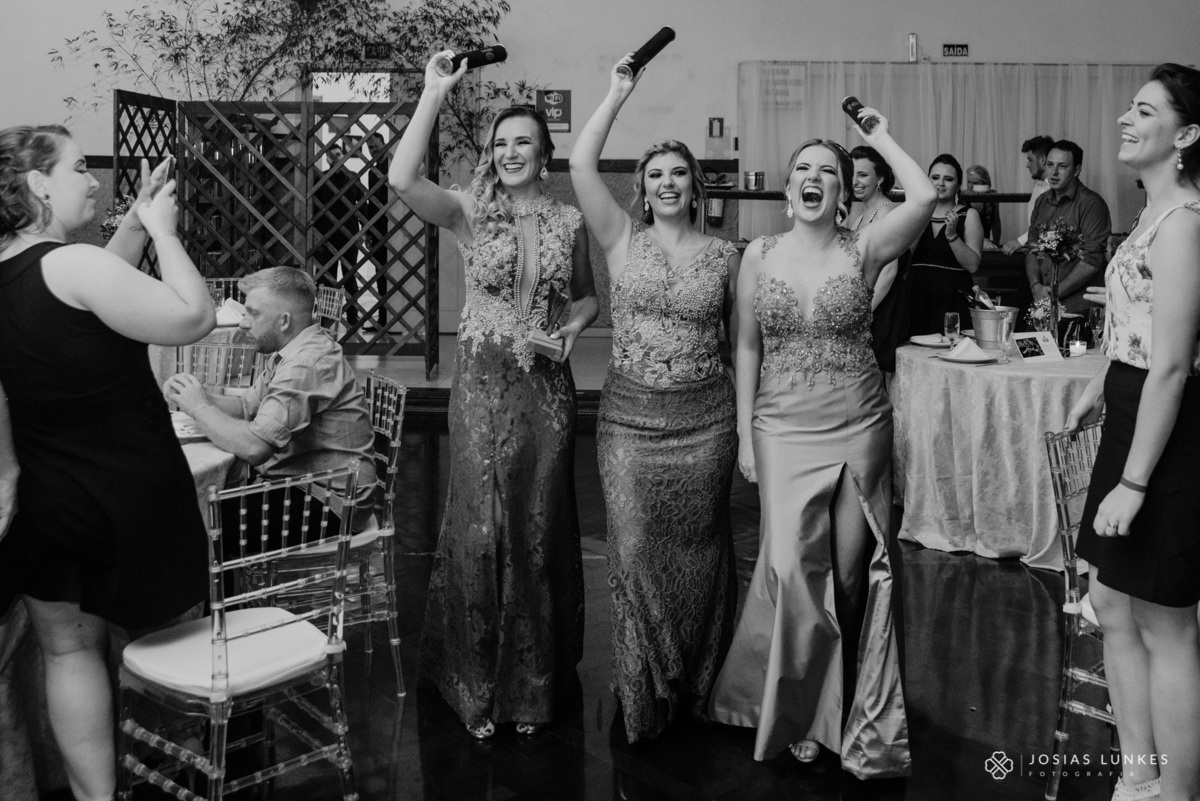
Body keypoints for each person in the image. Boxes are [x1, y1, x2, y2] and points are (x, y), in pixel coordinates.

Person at [708, 109, 936, 775]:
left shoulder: (863, 249)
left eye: (828, 172)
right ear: (788, 190)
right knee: (787, 567)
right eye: (803, 169)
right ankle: (797, 706)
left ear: (844, 192)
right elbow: (745, 345)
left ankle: (845, 708)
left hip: (858, 421)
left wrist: (882, 133)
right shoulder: (758, 254)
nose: (814, 179)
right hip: (781, 423)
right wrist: (749, 432)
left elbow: (922, 196)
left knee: (846, 572)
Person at [0, 126, 215, 801]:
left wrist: (132, 227)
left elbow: (88, 301)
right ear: (38, 185)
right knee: (176, 633)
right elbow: (192, 316)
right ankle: (193, 772)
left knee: (67, 649)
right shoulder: (73, 266)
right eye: (77, 168)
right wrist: (165, 231)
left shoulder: (20, 271)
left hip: (49, 497)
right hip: (128, 493)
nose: (94, 179)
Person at [389, 53, 599, 739]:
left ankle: (532, 683)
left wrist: (573, 324)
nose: (510, 151)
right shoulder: (468, 211)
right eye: (500, 143)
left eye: (523, 143)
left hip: (546, 386)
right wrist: (433, 91)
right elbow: (400, 177)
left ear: (543, 154)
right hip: (482, 381)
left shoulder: (567, 221)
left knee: (538, 526)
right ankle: (474, 678)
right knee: (483, 522)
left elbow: (588, 296)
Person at [569, 58, 740, 743]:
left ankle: (700, 682)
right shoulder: (619, 238)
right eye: (656, 174)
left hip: (706, 422)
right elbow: (581, 164)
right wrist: (615, 92)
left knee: (702, 552)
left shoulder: (729, 258)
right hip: (630, 423)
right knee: (634, 550)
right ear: (641, 188)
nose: (667, 182)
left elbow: (744, 345)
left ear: (696, 186)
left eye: (679, 173)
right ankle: (642, 689)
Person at [1065, 62, 1200, 801]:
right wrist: (1097, 386)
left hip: (1170, 434)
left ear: (1185, 134)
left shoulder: (1185, 225)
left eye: (1143, 110)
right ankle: (1137, 775)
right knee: (1112, 603)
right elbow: (1139, 332)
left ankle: (1178, 793)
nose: (1125, 118)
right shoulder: (1148, 216)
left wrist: (1135, 480)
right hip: (1129, 405)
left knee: (1167, 619)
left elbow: (1176, 364)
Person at [164, 265, 377, 532]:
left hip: (329, 504)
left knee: (188, 522)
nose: (243, 322)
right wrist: (197, 394)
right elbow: (245, 406)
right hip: (304, 486)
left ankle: (218, 573)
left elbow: (255, 448)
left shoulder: (304, 363)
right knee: (189, 510)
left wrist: (201, 407)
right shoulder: (293, 349)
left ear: (284, 321)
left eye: (253, 313)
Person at [1025, 140, 1112, 315]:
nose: (1054, 172)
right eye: (1050, 165)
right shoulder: (1042, 201)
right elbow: (1032, 248)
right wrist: (1035, 286)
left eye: (1062, 166)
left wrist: (1054, 292)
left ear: (1077, 170)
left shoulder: (1091, 204)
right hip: (1042, 303)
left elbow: (1092, 260)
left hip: (1079, 307)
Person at [906, 154, 984, 337]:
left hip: (952, 297)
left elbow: (973, 265)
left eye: (948, 179)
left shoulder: (969, 215)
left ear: (958, 186)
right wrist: (919, 218)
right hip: (917, 294)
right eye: (935, 178)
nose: (940, 184)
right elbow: (903, 258)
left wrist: (952, 236)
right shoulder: (916, 212)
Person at [847, 145, 906, 377]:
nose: (855, 181)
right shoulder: (859, 217)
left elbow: (889, 271)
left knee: (877, 374)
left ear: (880, 178)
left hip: (884, 304)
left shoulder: (887, 213)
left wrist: (864, 313)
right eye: (852, 174)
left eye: (862, 174)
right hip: (865, 301)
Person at [314, 142, 362, 326]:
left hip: (349, 235)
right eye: (332, 156)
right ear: (326, 158)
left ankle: (352, 317)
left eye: (338, 155)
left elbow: (362, 204)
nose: (335, 158)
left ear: (343, 156)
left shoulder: (352, 177)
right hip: (326, 237)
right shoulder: (320, 178)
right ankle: (327, 319)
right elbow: (315, 209)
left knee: (349, 276)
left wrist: (364, 231)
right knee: (327, 277)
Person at [1001, 134, 1055, 255]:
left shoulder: (1055, 188)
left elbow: (1046, 223)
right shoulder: (1038, 186)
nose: (1027, 165)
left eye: (1030, 160)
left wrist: (1020, 241)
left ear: (1042, 160)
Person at [965, 164, 1002, 247]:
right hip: (966, 241)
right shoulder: (963, 196)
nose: (970, 186)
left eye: (975, 183)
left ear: (984, 182)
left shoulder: (992, 195)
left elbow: (996, 222)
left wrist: (996, 243)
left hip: (985, 241)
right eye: (968, 182)